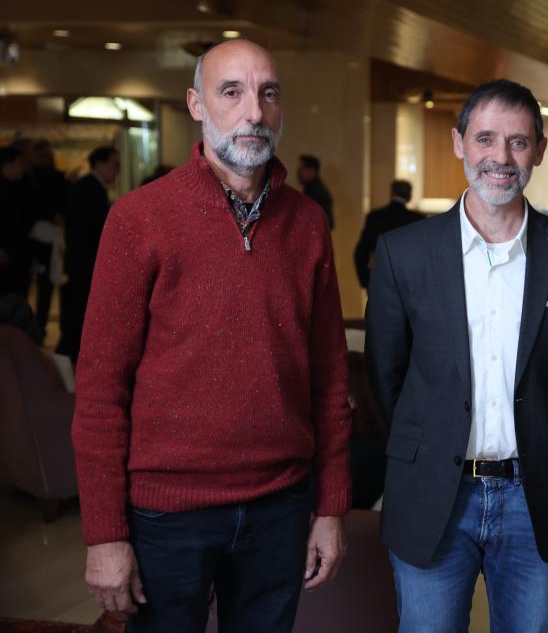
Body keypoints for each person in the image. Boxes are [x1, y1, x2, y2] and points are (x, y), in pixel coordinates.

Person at [71, 39, 351, 633]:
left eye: (267, 94)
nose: (253, 111)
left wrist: (330, 507)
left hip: (281, 505)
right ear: (197, 104)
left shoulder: (307, 224)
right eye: (233, 92)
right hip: (167, 515)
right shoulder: (138, 219)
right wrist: (104, 535)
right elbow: (99, 391)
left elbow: (329, 382)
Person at [366, 79, 548, 632]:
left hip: (534, 496)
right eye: (486, 138)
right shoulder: (404, 253)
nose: (501, 157)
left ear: (540, 151)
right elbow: (386, 374)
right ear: (459, 143)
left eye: (518, 142)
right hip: (432, 496)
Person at [56, 146, 119, 361]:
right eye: (114, 165)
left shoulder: (92, 187)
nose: (117, 172)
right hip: (84, 264)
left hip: (82, 263)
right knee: (78, 319)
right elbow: (89, 233)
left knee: (78, 318)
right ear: (99, 164)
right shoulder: (89, 189)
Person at [353, 179, 423, 289]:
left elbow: (361, 252)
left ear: (392, 193)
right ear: (409, 195)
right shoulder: (416, 219)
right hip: (410, 281)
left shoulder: (375, 217)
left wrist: (366, 280)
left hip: (380, 278)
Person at [28, 140, 68, 331]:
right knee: (44, 288)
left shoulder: (54, 178)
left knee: (51, 287)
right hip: (41, 241)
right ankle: (38, 328)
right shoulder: (31, 179)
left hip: (53, 238)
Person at [0, 145, 35, 299]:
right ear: (8, 165)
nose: (23, 167)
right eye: (20, 163)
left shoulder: (17, 187)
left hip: (15, 256)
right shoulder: (5, 188)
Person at [297, 153, 334, 229]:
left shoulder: (317, 193)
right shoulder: (311, 190)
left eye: (301, 170)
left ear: (312, 170)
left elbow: (326, 223)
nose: (298, 174)